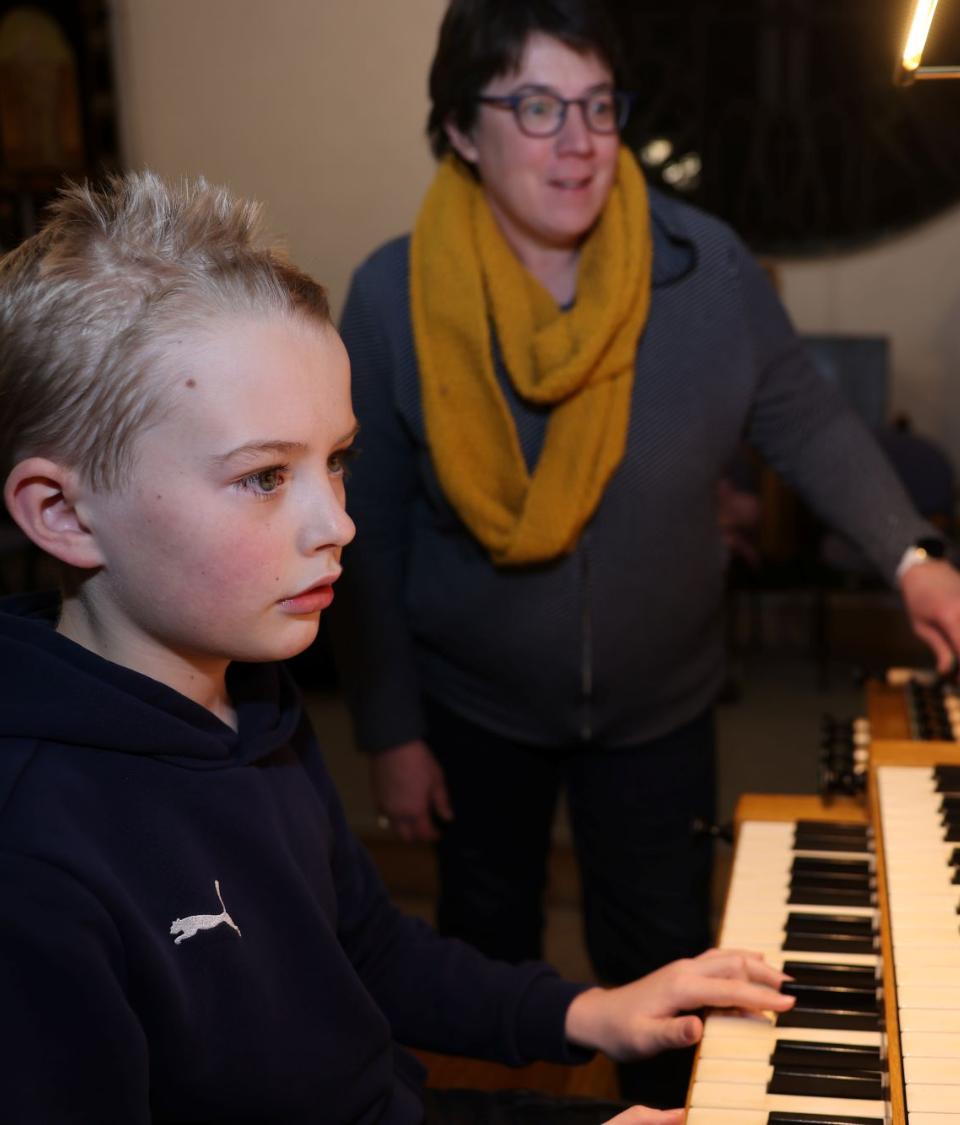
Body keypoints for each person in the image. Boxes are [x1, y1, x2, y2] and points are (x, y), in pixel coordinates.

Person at [0, 171, 791, 1125]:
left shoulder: (252, 700)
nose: (336, 522)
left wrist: (588, 1010)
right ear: (62, 513)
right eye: (262, 477)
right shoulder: (35, 858)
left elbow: (367, 952)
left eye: (335, 461)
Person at [336, 0, 960, 1102]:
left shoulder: (706, 266)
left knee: (673, 985)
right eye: (537, 106)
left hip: (662, 711)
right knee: (487, 968)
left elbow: (809, 421)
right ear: (459, 125)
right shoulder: (391, 296)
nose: (579, 142)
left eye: (599, 105)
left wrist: (913, 554)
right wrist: (392, 730)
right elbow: (369, 536)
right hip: (476, 714)